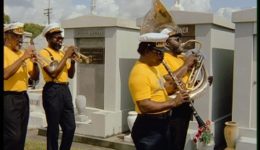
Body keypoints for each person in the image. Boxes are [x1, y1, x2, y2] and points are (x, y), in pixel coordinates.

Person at [128, 32, 190, 150]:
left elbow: (161, 89)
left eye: (163, 53)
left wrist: (174, 87)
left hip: (162, 123)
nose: (162, 57)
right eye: (158, 53)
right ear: (146, 51)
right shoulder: (139, 73)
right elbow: (144, 105)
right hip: (149, 127)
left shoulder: (152, 68)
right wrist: (174, 103)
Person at [157, 25, 197, 150]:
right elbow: (168, 82)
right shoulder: (161, 58)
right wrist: (186, 65)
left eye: (181, 39)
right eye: (177, 39)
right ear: (166, 42)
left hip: (185, 103)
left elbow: (187, 79)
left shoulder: (181, 57)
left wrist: (199, 82)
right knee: (172, 143)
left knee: (180, 142)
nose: (181, 42)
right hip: (172, 106)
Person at [39, 23, 77, 150]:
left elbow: (70, 75)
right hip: (52, 90)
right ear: (48, 39)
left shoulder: (62, 54)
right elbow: (53, 73)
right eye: (57, 38)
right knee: (53, 128)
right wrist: (66, 55)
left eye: (61, 38)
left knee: (70, 126)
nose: (60, 40)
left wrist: (72, 60)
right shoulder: (43, 53)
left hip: (65, 90)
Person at [4, 22, 40, 150]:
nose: (20, 40)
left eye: (21, 37)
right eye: (16, 36)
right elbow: (5, 74)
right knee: (13, 136)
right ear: (7, 35)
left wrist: (35, 63)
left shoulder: (21, 53)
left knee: (21, 136)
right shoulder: (5, 51)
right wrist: (23, 57)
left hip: (23, 97)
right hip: (8, 98)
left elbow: (34, 77)